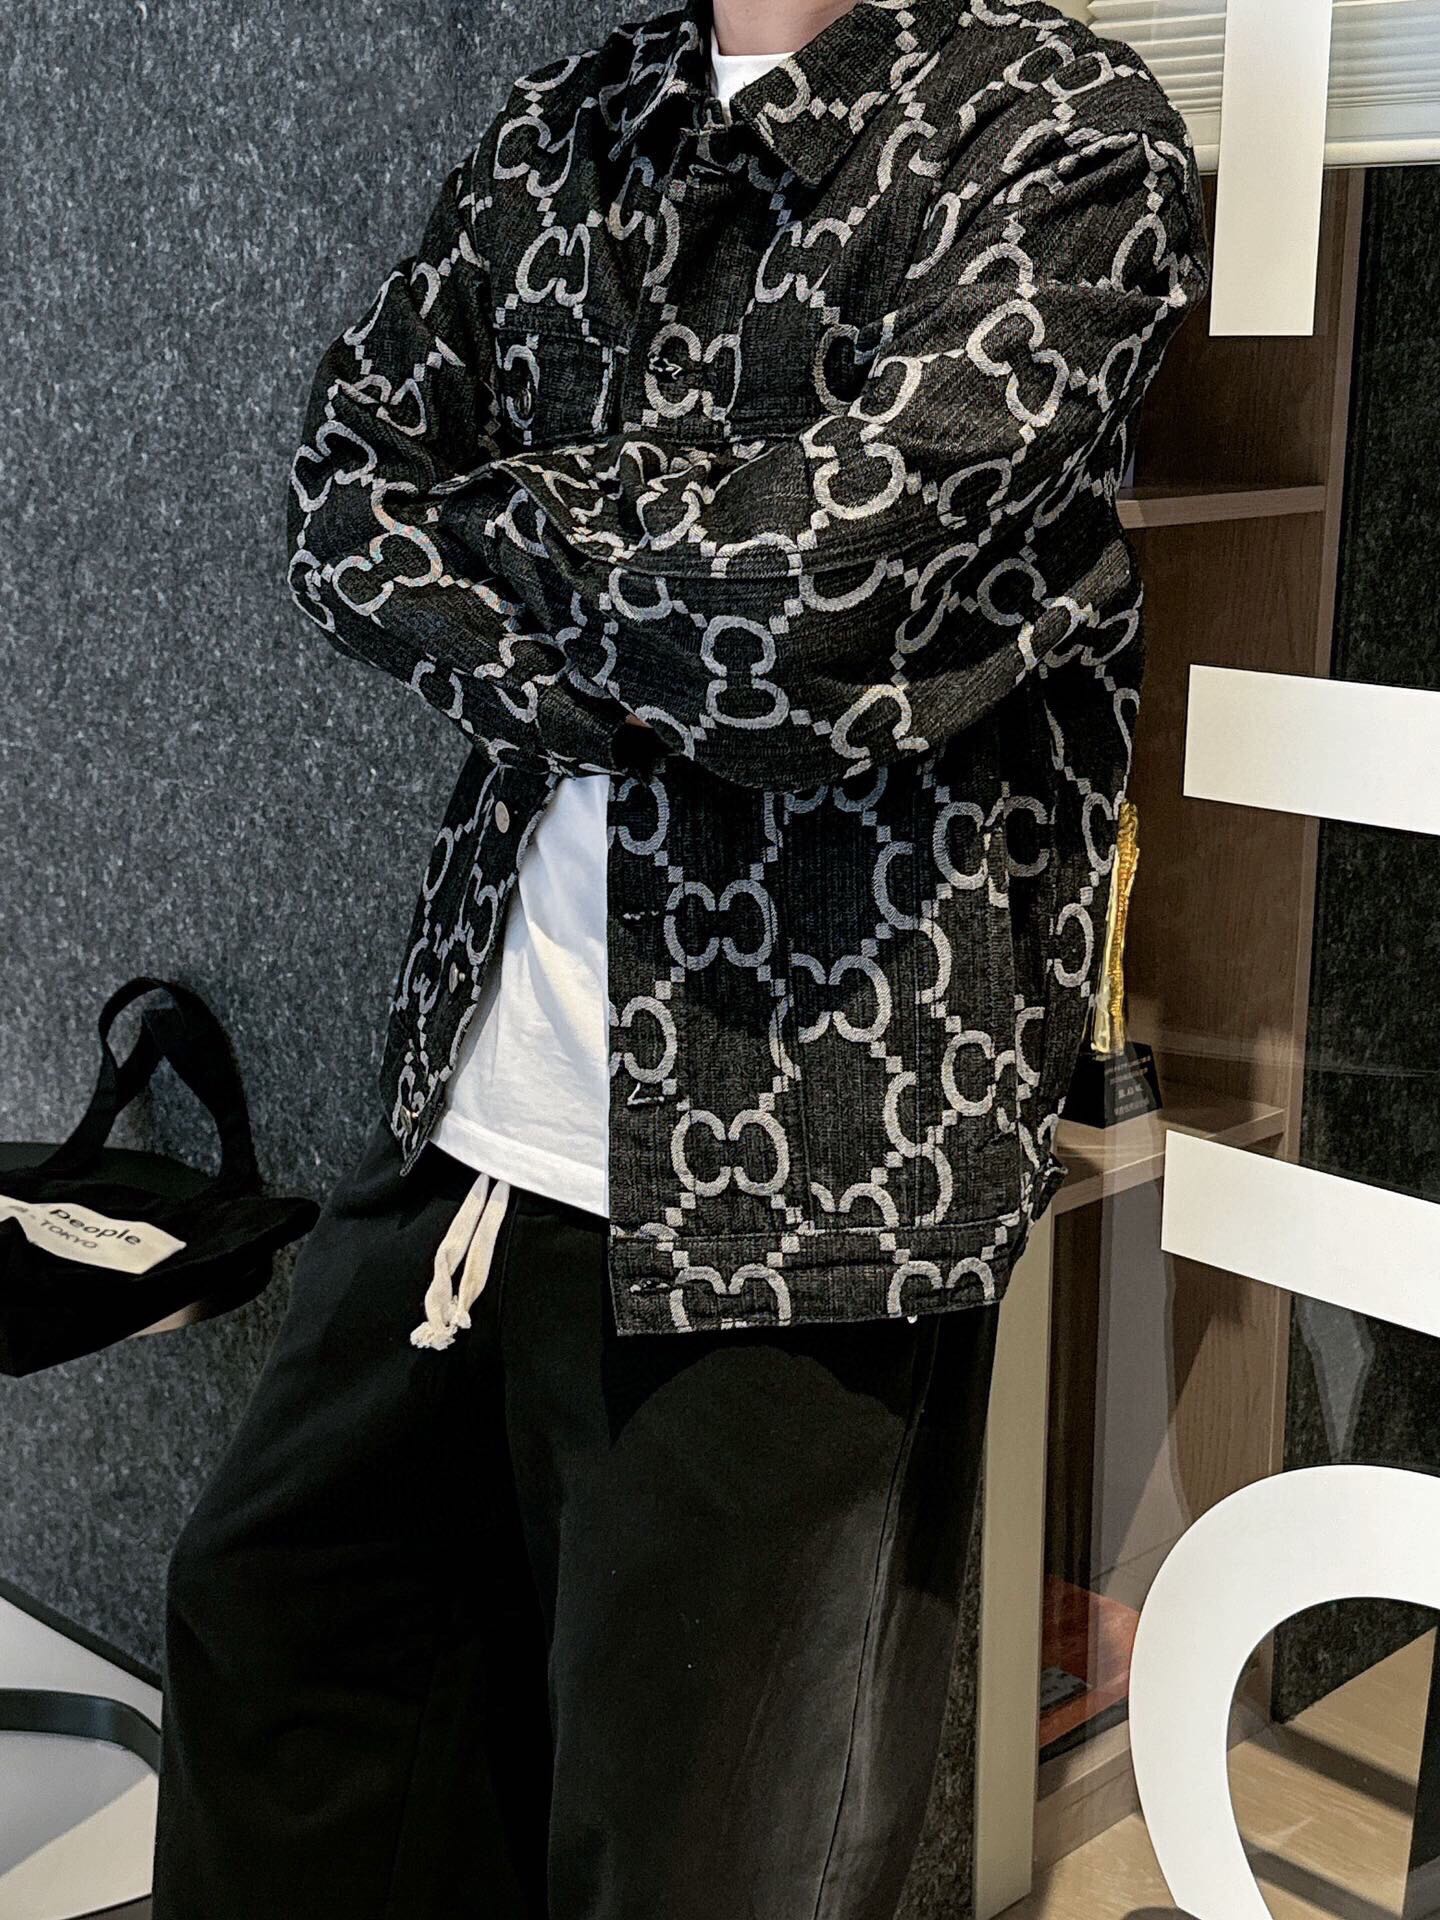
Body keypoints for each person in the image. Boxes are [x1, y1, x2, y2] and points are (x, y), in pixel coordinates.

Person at [151, 0, 1210, 1914]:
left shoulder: (1061, 134)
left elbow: (812, 603)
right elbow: (343, 500)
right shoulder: (573, 120)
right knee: (290, 1701)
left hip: (811, 1172)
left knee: (702, 1849)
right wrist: (688, 571)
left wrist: (518, 521)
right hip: (465, 1130)